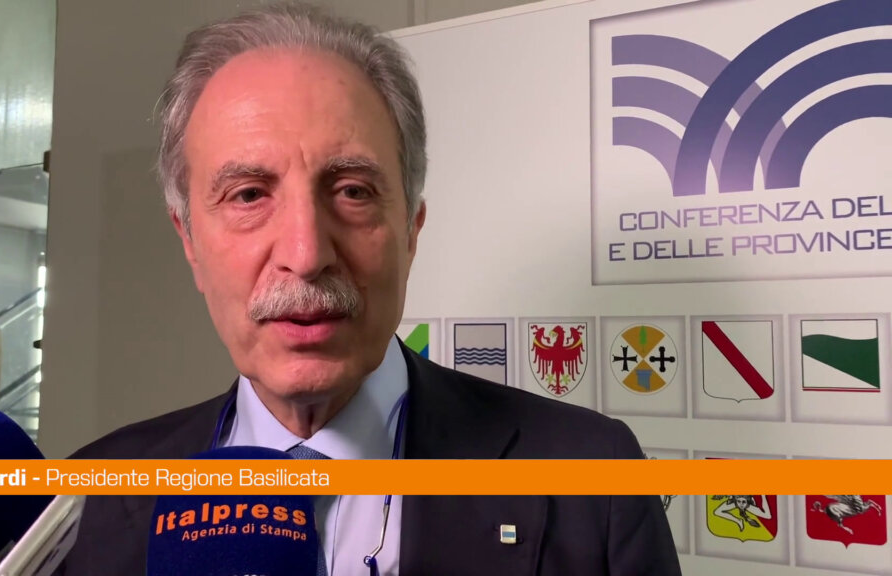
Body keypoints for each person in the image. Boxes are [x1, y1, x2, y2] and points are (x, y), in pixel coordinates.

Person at [56, 3, 682, 575]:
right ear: (190, 240)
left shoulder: (594, 481)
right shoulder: (86, 501)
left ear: (412, 229)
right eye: (248, 195)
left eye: (352, 191)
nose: (306, 255)